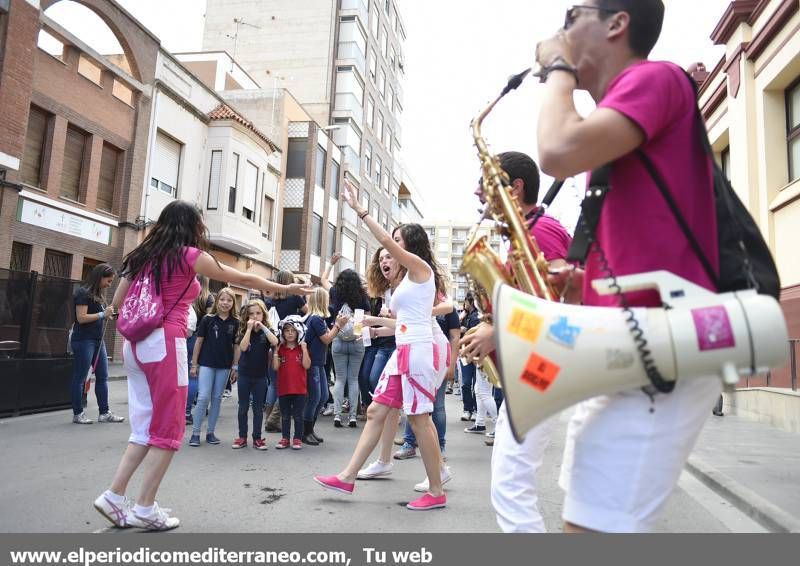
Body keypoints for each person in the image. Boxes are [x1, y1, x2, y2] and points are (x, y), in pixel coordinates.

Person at [532, 0, 720, 532]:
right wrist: (580, 281)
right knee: (588, 524)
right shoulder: (621, 123)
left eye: (574, 14)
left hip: (664, 348)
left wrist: (559, 68)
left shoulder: (653, 78)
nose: (561, 28)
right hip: (634, 350)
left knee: (590, 532)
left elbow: (557, 148)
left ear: (617, 24)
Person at [93, 200, 310, 531]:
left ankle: (114, 496)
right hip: (166, 344)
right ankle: (145, 507)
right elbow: (241, 276)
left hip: (134, 346)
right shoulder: (190, 256)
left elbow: (118, 304)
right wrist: (286, 287)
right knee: (168, 429)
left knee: (145, 427)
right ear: (192, 225)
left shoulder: (140, 256)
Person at [315, 180, 449, 511]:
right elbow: (408, 321)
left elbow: (385, 240)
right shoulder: (406, 281)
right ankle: (347, 477)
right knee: (375, 410)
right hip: (404, 348)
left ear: (410, 245)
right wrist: (379, 326)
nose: (391, 250)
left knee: (419, 420)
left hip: (417, 351)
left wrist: (359, 209)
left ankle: (435, 489)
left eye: (398, 241)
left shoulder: (421, 269)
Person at [460, 150, 572, 533]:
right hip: (534, 369)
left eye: (486, 184)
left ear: (516, 187)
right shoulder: (523, 234)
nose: (477, 192)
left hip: (544, 369)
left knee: (510, 486)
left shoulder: (540, 233)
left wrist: (496, 330)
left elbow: (559, 311)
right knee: (510, 483)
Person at [69, 263, 124, 425]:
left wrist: (108, 314)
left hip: (97, 340)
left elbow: (99, 315)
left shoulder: (98, 295)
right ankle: (78, 413)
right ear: (100, 277)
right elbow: (81, 318)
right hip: (84, 340)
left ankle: (104, 412)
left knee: (102, 376)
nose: (109, 284)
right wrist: (102, 314)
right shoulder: (83, 292)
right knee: (80, 377)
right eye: (108, 280)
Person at [321, 259, 371, 429]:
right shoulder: (363, 296)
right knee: (353, 379)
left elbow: (323, 281)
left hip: (338, 338)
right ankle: (352, 418)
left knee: (340, 379)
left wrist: (331, 264)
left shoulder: (335, 292)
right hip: (357, 340)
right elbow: (368, 319)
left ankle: (337, 415)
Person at [188, 288, 238, 447]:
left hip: (224, 366)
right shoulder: (207, 320)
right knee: (203, 397)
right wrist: (194, 364)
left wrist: (235, 367)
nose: (225, 303)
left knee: (217, 399)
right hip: (206, 364)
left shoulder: (236, 322)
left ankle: (210, 432)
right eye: (222, 299)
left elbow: (236, 346)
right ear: (217, 301)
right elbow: (199, 342)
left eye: (229, 300)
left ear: (233, 303)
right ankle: (195, 433)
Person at [263, 271, 308, 433]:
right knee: (286, 382)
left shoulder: (269, 301)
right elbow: (307, 312)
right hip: (290, 343)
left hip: (273, 343)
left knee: (273, 383)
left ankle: (268, 417)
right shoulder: (295, 298)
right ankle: (276, 419)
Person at [302, 287, 349, 443]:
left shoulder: (317, 318)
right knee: (315, 397)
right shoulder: (315, 319)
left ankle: (310, 429)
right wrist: (338, 325)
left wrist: (336, 326)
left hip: (318, 362)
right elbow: (327, 339)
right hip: (314, 362)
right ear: (322, 300)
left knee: (322, 396)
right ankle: (305, 431)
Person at [231, 299, 278, 450]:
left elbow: (275, 341)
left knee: (258, 409)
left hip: (260, 376)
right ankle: (242, 437)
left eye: (258, 313)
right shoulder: (244, 329)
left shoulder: (267, 329)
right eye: (251, 314)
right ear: (246, 316)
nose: (255, 316)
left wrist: (263, 326)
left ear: (263, 315)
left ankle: (257, 437)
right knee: (243, 407)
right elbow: (243, 347)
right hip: (245, 375)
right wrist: (250, 329)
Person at [273, 316, 311, 449]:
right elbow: (275, 367)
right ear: (282, 333)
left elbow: (306, 366)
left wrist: (305, 349)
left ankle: (297, 439)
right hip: (284, 389)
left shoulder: (301, 348)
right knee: (285, 416)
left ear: (298, 332)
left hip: (300, 389)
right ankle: (285, 438)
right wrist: (275, 352)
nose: (290, 333)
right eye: (287, 330)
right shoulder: (280, 348)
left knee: (298, 416)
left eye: (293, 330)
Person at [185, 276, 213, 425]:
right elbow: (209, 319)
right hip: (198, 338)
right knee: (194, 376)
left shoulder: (187, 293)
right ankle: (187, 411)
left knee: (182, 375)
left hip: (183, 336)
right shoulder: (208, 297)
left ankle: (182, 409)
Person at [458, 295, 481, 422]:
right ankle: (467, 409)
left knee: (476, 385)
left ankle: (476, 410)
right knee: (466, 383)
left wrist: (466, 329)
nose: (464, 304)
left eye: (466, 301)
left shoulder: (478, 315)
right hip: (465, 352)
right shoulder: (464, 315)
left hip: (476, 352)